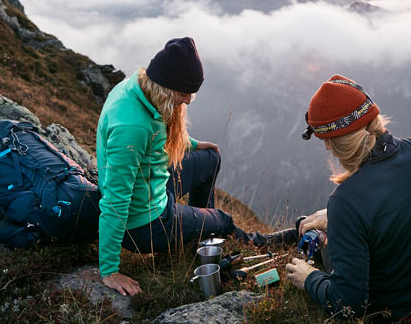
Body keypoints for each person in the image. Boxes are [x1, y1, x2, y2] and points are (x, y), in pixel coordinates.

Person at [96, 37, 295, 296]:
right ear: (166, 89)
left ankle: (201, 240)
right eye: (183, 95)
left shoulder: (139, 87)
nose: (188, 100)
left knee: (210, 158)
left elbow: (154, 139)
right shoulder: (131, 128)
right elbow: (115, 200)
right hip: (145, 223)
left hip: (151, 185)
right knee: (223, 219)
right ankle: (256, 242)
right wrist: (109, 271)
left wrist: (190, 144)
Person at [283, 74, 411, 324]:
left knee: (348, 244)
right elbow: (394, 189)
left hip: (400, 317)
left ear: (330, 144)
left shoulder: (346, 201)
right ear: (373, 117)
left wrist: (309, 278)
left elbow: (348, 303)